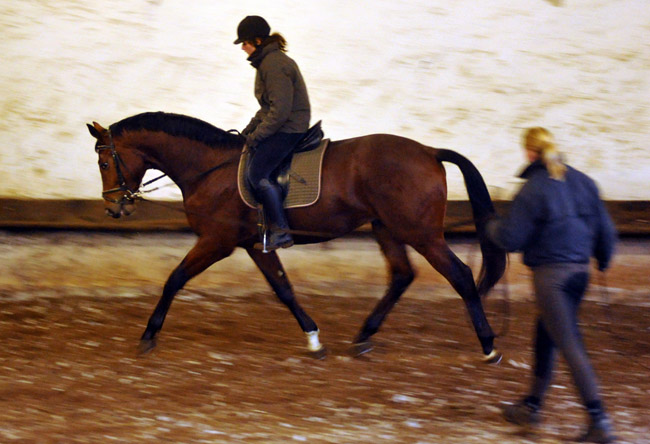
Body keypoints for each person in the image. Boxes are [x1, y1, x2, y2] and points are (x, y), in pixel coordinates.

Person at [486, 127, 618, 443]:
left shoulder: (534, 188)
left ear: (530, 153)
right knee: (546, 335)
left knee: (569, 342)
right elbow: (607, 233)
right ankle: (531, 405)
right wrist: (602, 258)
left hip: (551, 280)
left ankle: (599, 421)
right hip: (579, 276)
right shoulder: (584, 181)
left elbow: (510, 238)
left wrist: (490, 226)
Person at [234, 15, 311, 251]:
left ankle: (280, 230)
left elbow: (280, 112)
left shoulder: (274, 64)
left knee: (257, 173)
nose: (243, 48)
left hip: (290, 127)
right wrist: (248, 129)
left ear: (257, 40)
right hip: (282, 123)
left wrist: (257, 136)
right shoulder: (266, 61)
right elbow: (267, 108)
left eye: (245, 43)